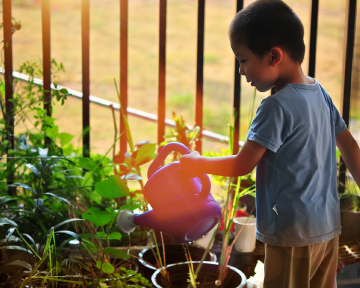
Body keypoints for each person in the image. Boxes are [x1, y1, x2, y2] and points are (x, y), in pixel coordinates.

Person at [179, 0, 360, 287]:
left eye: (243, 59)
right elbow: (350, 147)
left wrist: (196, 164)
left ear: (274, 56)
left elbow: (242, 164)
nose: (241, 71)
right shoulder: (318, 92)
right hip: (327, 229)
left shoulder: (276, 107)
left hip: (292, 235)